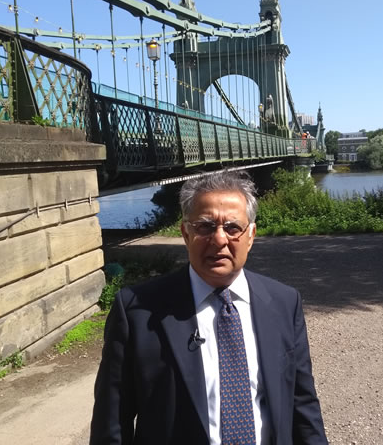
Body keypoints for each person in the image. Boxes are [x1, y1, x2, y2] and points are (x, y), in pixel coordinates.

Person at [90, 171, 327, 445]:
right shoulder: (136, 311)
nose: (219, 240)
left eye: (232, 228)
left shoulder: (284, 303)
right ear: (185, 233)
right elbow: (111, 424)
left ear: (251, 235)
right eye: (204, 227)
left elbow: (303, 404)